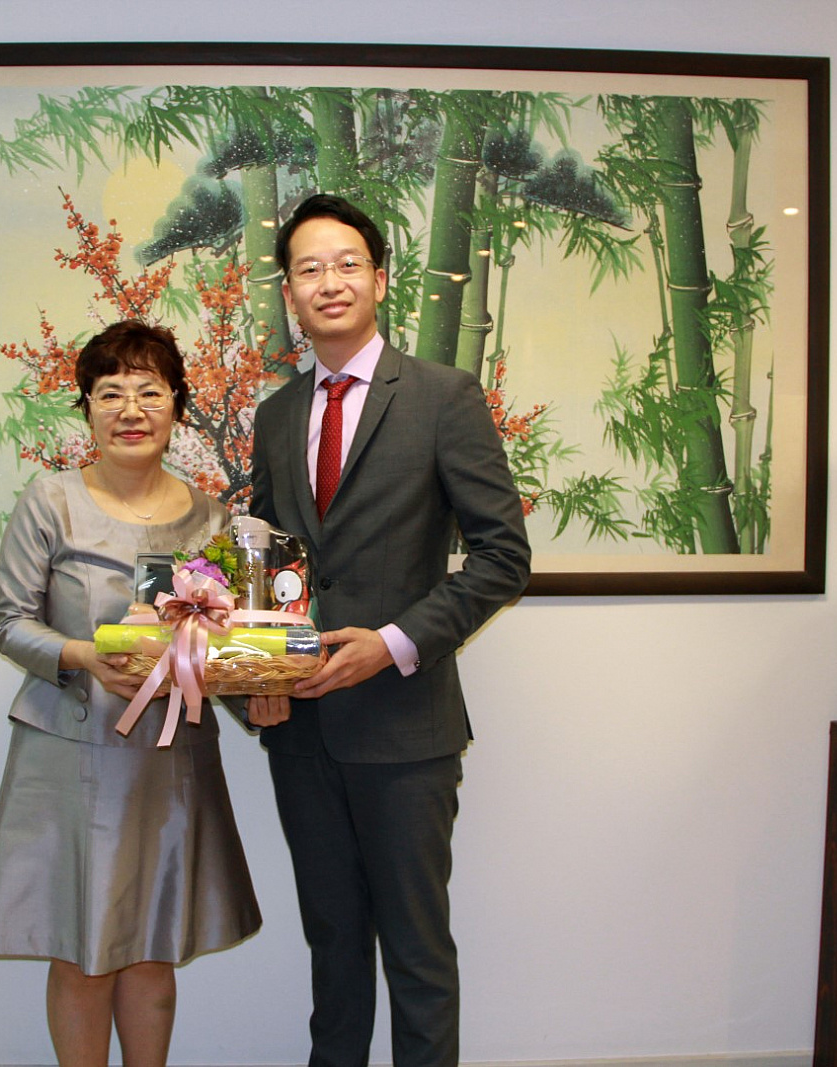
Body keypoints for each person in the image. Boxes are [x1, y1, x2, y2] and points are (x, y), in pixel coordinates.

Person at [247, 194, 532, 1067]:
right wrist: (256, 677)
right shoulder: (276, 415)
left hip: (407, 729)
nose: (328, 282)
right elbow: (273, 566)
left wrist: (393, 643)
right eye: (308, 269)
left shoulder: (444, 397)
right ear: (289, 293)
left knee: (415, 951)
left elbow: (503, 557)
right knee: (333, 948)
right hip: (301, 730)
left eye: (346, 264)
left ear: (378, 278)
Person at [0, 319, 286, 1067]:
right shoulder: (50, 501)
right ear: (87, 407)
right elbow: (11, 623)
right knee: (80, 950)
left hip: (170, 759)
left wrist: (260, 693)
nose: (130, 410)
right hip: (69, 750)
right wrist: (84, 655)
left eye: (149, 391)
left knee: (153, 946)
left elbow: (218, 646)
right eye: (110, 392)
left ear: (177, 406)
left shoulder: (211, 519)